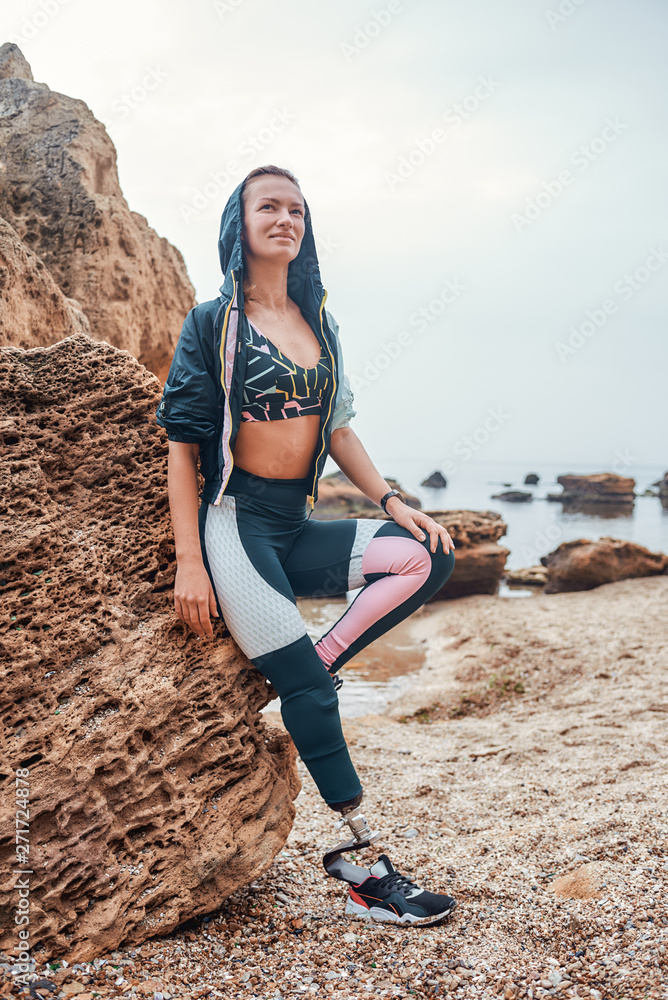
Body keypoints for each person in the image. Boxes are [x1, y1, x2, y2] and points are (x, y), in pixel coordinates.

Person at [156, 164, 458, 926]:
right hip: (235, 522)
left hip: (296, 521)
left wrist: (393, 500)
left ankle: (310, 667)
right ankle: (368, 867)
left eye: (297, 208)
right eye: (269, 206)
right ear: (241, 222)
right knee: (315, 700)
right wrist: (191, 560)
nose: (285, 218)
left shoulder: (319, 319)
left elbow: (342, 428)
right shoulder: (212, 324)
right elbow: (184, 448)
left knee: (428, 555)